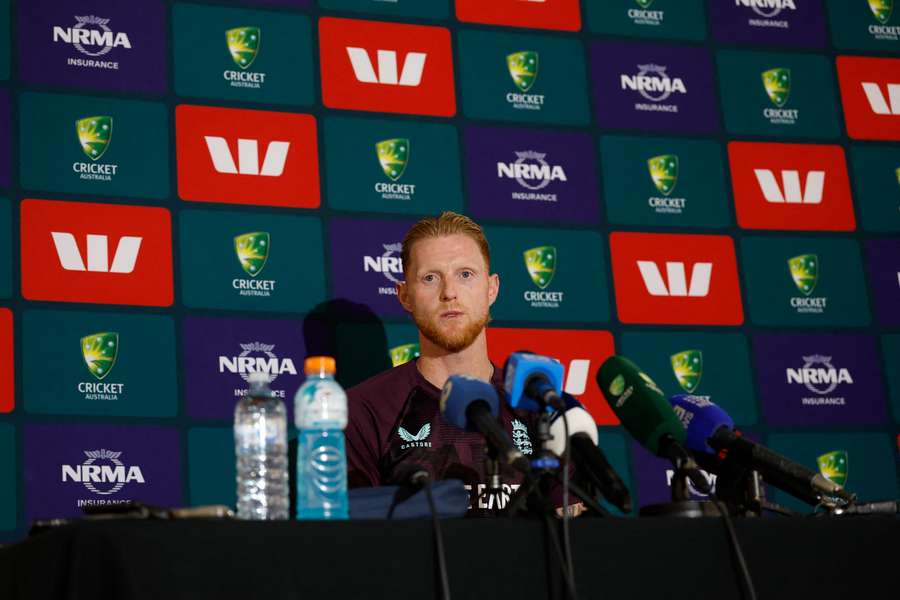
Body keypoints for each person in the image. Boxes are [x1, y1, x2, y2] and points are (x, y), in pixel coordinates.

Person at [345, 211, 580, 516]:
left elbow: (572, 532)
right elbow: (356, 536)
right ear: (404, 296)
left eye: (465, 274)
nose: (449, 293)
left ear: (492, 288)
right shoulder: (365, 410)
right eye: (430, 278)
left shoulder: (540, 405)